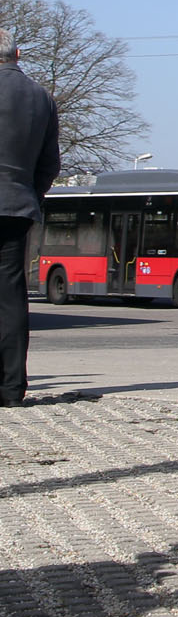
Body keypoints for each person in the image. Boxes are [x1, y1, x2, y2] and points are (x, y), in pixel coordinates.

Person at [0, 27, 61, 408]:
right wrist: (29, 196)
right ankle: (10, 389)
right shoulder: (42, 98)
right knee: (10, 295)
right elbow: (50, 164)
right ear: (18, 53)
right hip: (18, 205)